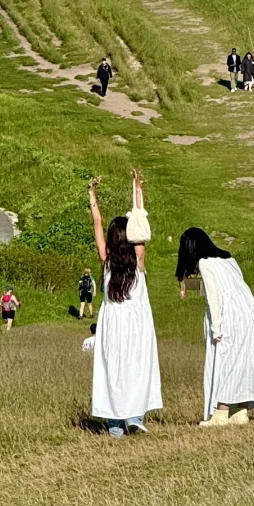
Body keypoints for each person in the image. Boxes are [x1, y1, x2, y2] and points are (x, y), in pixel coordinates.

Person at [176, 227, 254, 427]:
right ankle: (240, 411)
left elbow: (214, 297)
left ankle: (221, 412)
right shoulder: (229, 259)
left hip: (230, 316)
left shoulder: (205, 263)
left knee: (225, 362)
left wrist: (217, 327)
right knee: (241, 362)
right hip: (249, 312)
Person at [88, 174, 162, 437]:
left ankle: (115, 422)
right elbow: (140, 222)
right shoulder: (138, 260)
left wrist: (92, 196)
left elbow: (97, 223)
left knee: (113, 369)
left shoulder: (106, 260)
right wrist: (137, 189)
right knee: (138, 366)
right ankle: (135, 415)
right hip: (138, 322)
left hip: (113, 323)